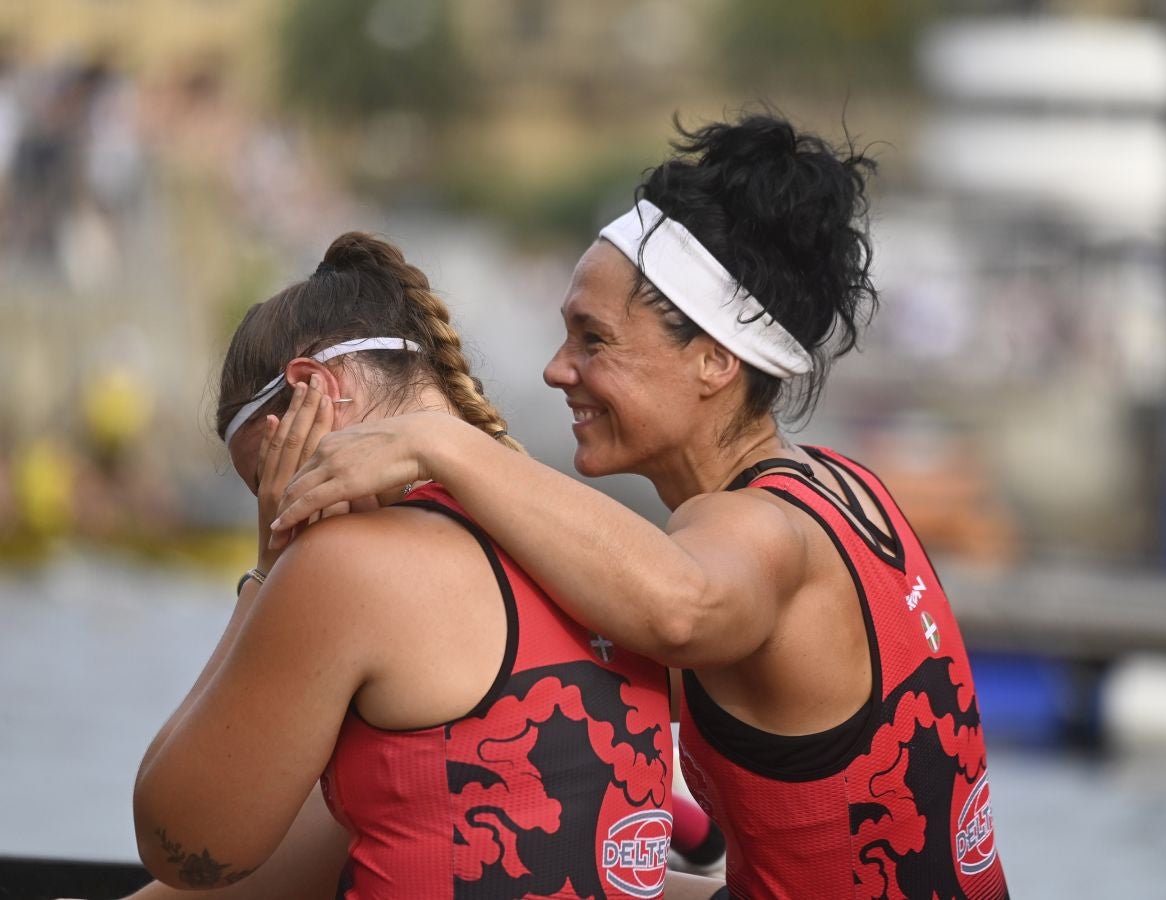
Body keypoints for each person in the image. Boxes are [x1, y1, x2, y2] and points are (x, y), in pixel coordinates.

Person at [272, 115, 1011, 899]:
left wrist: (441, 446)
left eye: (593, 340)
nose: (557, 370)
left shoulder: (755, 530)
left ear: (714, 360)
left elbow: (681, 610)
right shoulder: (844, 485)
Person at [132, 232, 723, 899]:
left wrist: (271, 565)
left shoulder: (345, 567)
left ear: (312, 391)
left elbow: (187, 844)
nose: (279, 503)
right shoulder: (611, 553)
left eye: (269, 478)